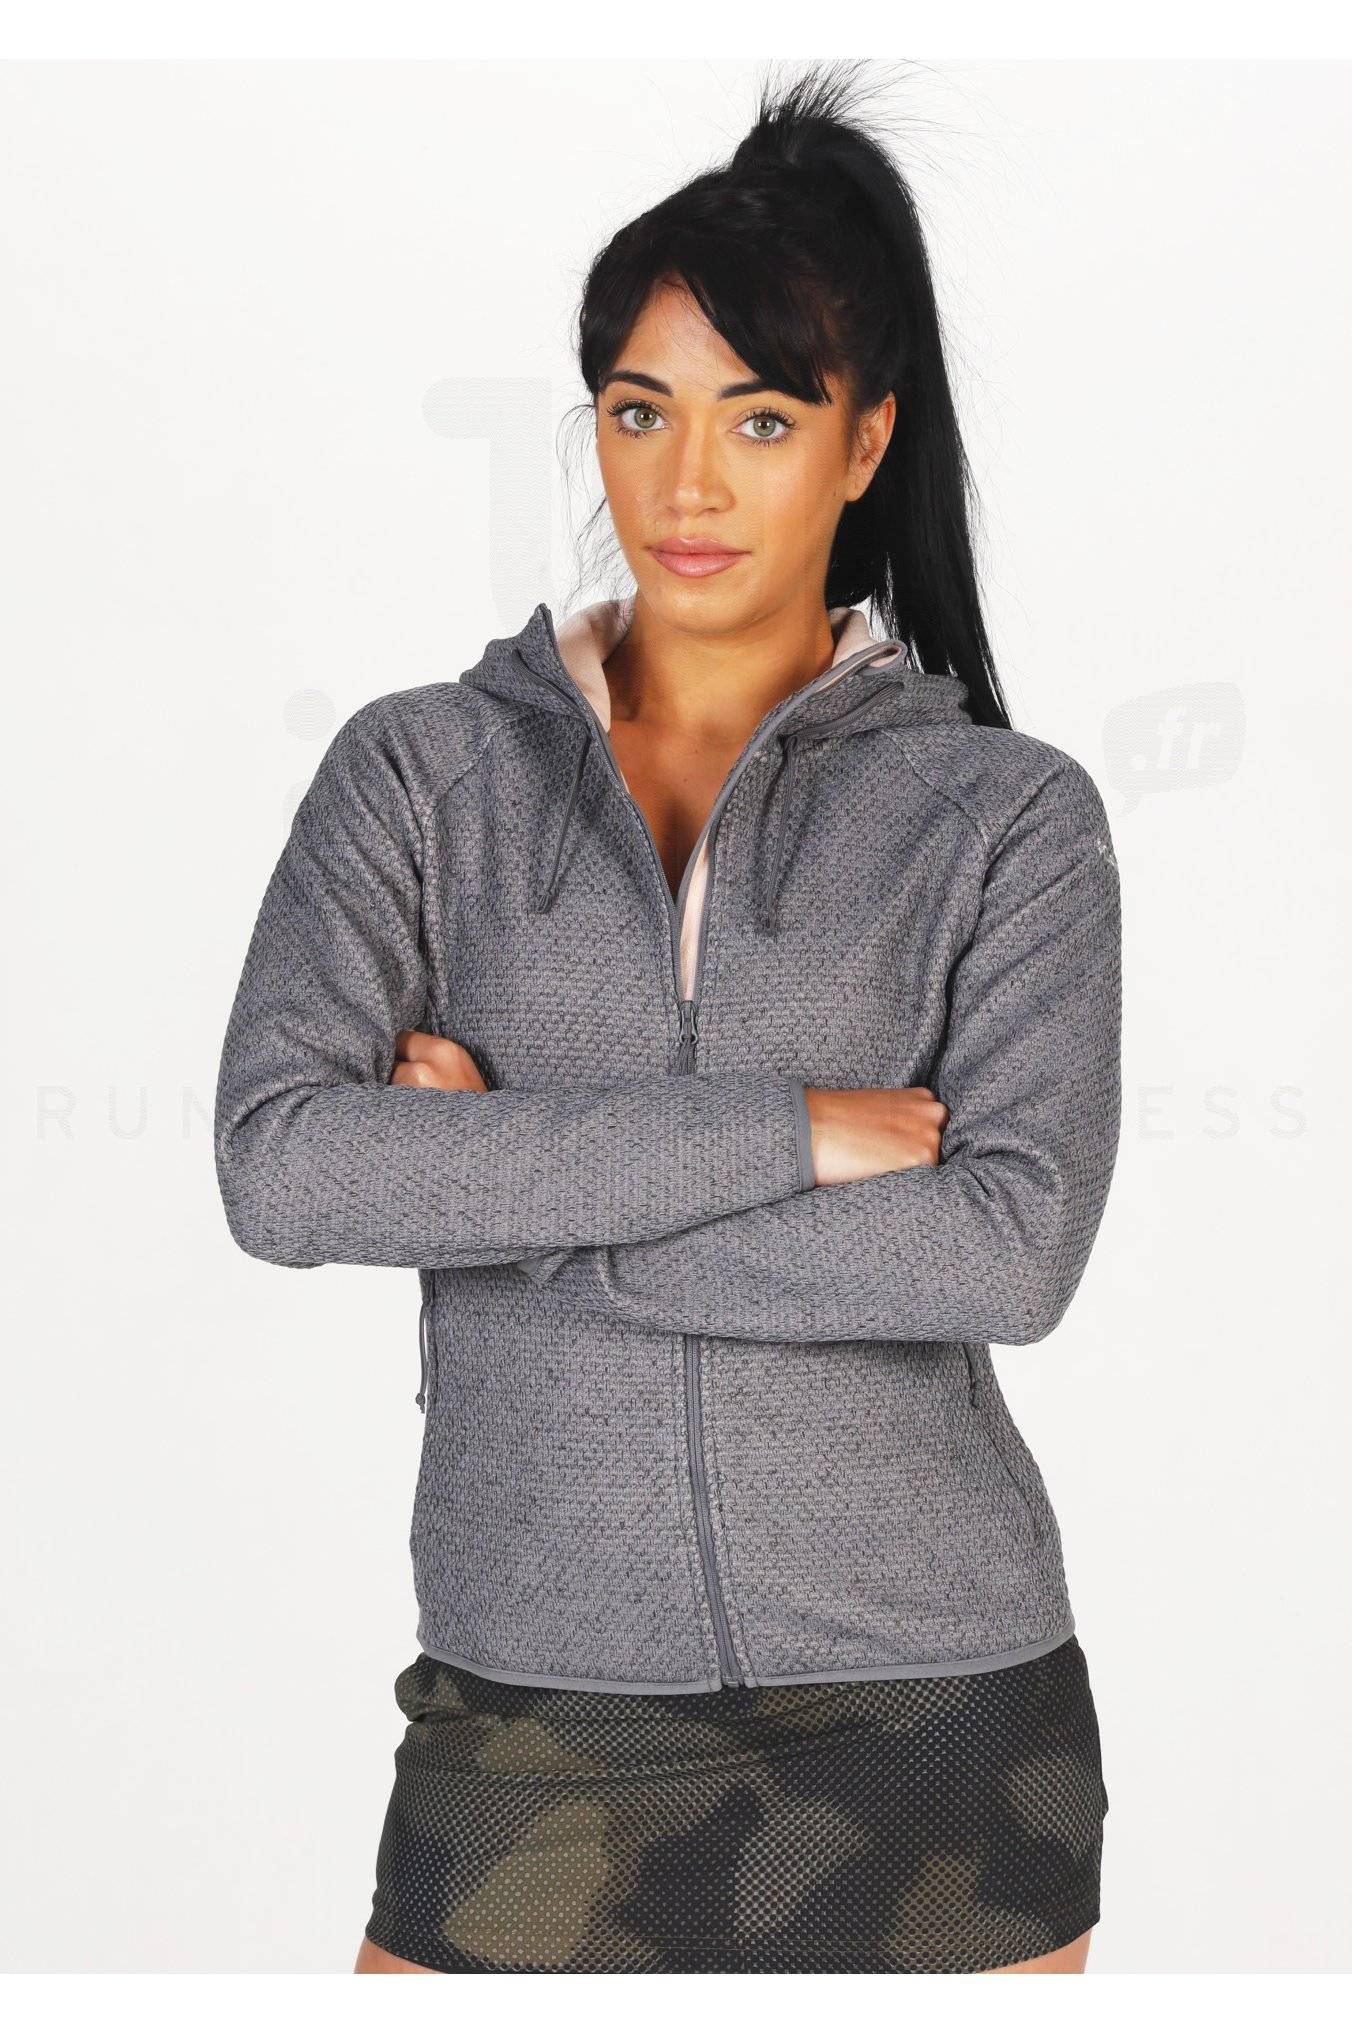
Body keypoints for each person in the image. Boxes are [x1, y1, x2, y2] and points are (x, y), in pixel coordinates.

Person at [213, 59, 1121, 1975]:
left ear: (865, 444)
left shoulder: (1005, 816)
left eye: (760, 418)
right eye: (641, 410)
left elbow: (1006, 1247)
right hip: (530, 1697)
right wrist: (788, 1132)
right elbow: (284, 1167)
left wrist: (501, 1189)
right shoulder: (425, 779)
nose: (687, 483)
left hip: (938, 1703)